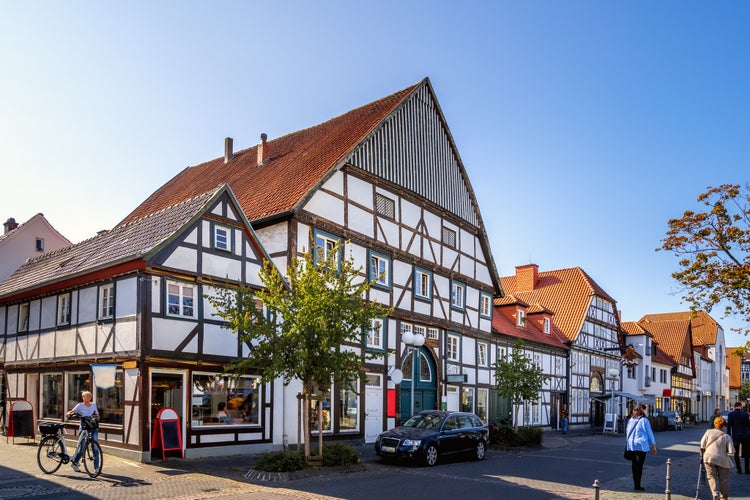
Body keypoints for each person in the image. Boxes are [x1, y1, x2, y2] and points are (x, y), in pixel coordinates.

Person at [701, 416, 735, 500]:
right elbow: (731, 452)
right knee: (723, 480)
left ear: (715, 424)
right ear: (723, 426)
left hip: (708, 457)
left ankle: (714, 493)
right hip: (722, 460)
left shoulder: (708, 432)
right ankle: (724, 497)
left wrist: (702, 454)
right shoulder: (726, 436)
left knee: (711, 476)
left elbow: (702, 444)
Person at [65, 390, 99, 472]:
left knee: (95, 447)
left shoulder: (93, 404)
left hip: (93, 427)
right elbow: (72, 411)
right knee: (82, 447)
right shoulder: (80, 405)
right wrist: (68, 413)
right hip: (84, 428)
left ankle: (96, 468)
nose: (87, 398)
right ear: (83, 398)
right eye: (85, 396)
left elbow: (97, 414)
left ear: (91, 397)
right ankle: (75, 462)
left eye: (89, 396)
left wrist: (96, 416)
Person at [625, 405, 657, 491]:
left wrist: (628, 444)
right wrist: (653, 445)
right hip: (641, 446)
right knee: (639, 466)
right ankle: (638, 485)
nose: (646, 411)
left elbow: (627, 432)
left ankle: (636, 484)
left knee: (634, 466)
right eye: (645, 409)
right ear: (642, 410)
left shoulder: (631, 420)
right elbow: (649, 433)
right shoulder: (644, 420)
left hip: (632, 445)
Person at [727, 401, 750, 474]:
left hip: (735, 435)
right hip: (745, 435)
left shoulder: (731, 414)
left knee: (736, 453)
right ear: (741, 406)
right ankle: (747, 469)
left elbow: (729, 426)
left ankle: (739, 469)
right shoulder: (745, 414)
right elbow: (748, 425)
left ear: (734, 406)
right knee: (746, 452)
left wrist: (728, 435)